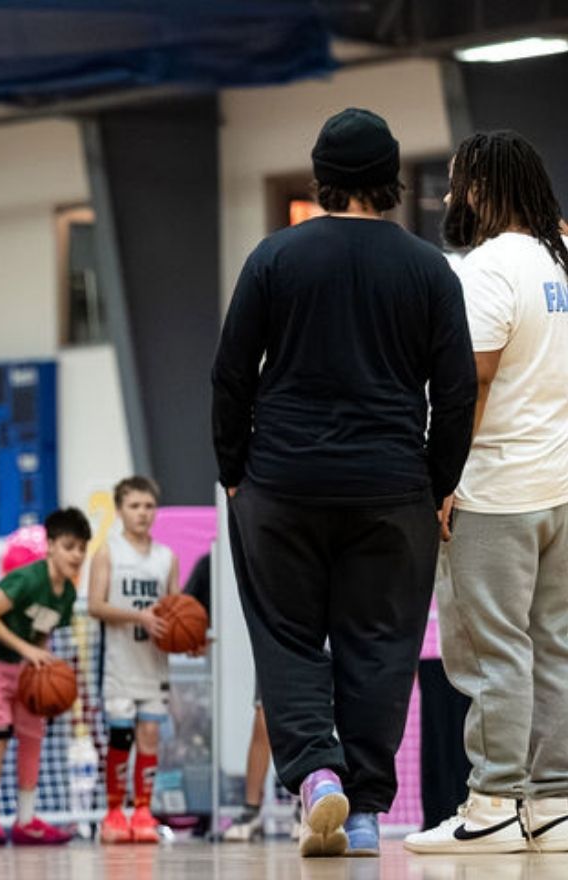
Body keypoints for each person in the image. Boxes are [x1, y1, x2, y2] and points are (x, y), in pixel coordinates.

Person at [213, 108, 476, 858]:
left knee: (288, 635)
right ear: (391, 180)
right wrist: (435, 483)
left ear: (321, 176)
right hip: (393, 487)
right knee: (380, 645)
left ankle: (316, 777)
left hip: (282, 483)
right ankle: (362, 812)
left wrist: (234, 469)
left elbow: (232, 375)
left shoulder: (275, 257)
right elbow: (455, 392)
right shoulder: (429, 269)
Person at [406, 131, 568, 854]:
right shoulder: (561, 260)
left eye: (459, 181)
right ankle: (556, 805)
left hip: (497, 489)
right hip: (561, 486)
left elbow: (469, 385)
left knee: (493, 651)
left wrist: (444, 478)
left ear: (484, 187)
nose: (452, 195)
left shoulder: (491, 267)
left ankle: (495, 802)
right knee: (555, 648)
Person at [0, 507, 91, 847]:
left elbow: (42, 631)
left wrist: (41, 659)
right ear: (50, 545)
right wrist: (28, 651)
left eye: (82, 548)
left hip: (23, 666)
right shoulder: (27, 578)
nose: (77, 555)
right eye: (70, 546)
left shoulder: (66, 593)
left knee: (33, 732)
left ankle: (26, 819)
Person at [88, 476, 179, 845]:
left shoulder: (166, 557)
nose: (142, 513)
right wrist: (139, 617)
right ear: (120, 510)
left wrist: (188, 637)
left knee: (151, 735)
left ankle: (142, 810)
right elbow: (95, 605)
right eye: (135, 506)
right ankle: (114, 812)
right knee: (121, 736)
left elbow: (176, 610)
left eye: (148, 506)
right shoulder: (108, 552)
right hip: (117, 663)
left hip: (152, 662)